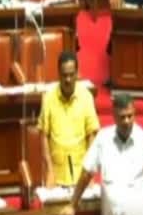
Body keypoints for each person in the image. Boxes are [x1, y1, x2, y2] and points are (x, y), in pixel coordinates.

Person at [38, 51, 99, 187]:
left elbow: (92, 135)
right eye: (64, 75)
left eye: (72, 75)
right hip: (56, 173)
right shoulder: (48, 98)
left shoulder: (86, 97)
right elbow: (43, 135)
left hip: (80, 172)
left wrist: (88, 172)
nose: (68, 80)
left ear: (77, 73)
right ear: (58, 74)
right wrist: (49, 169)